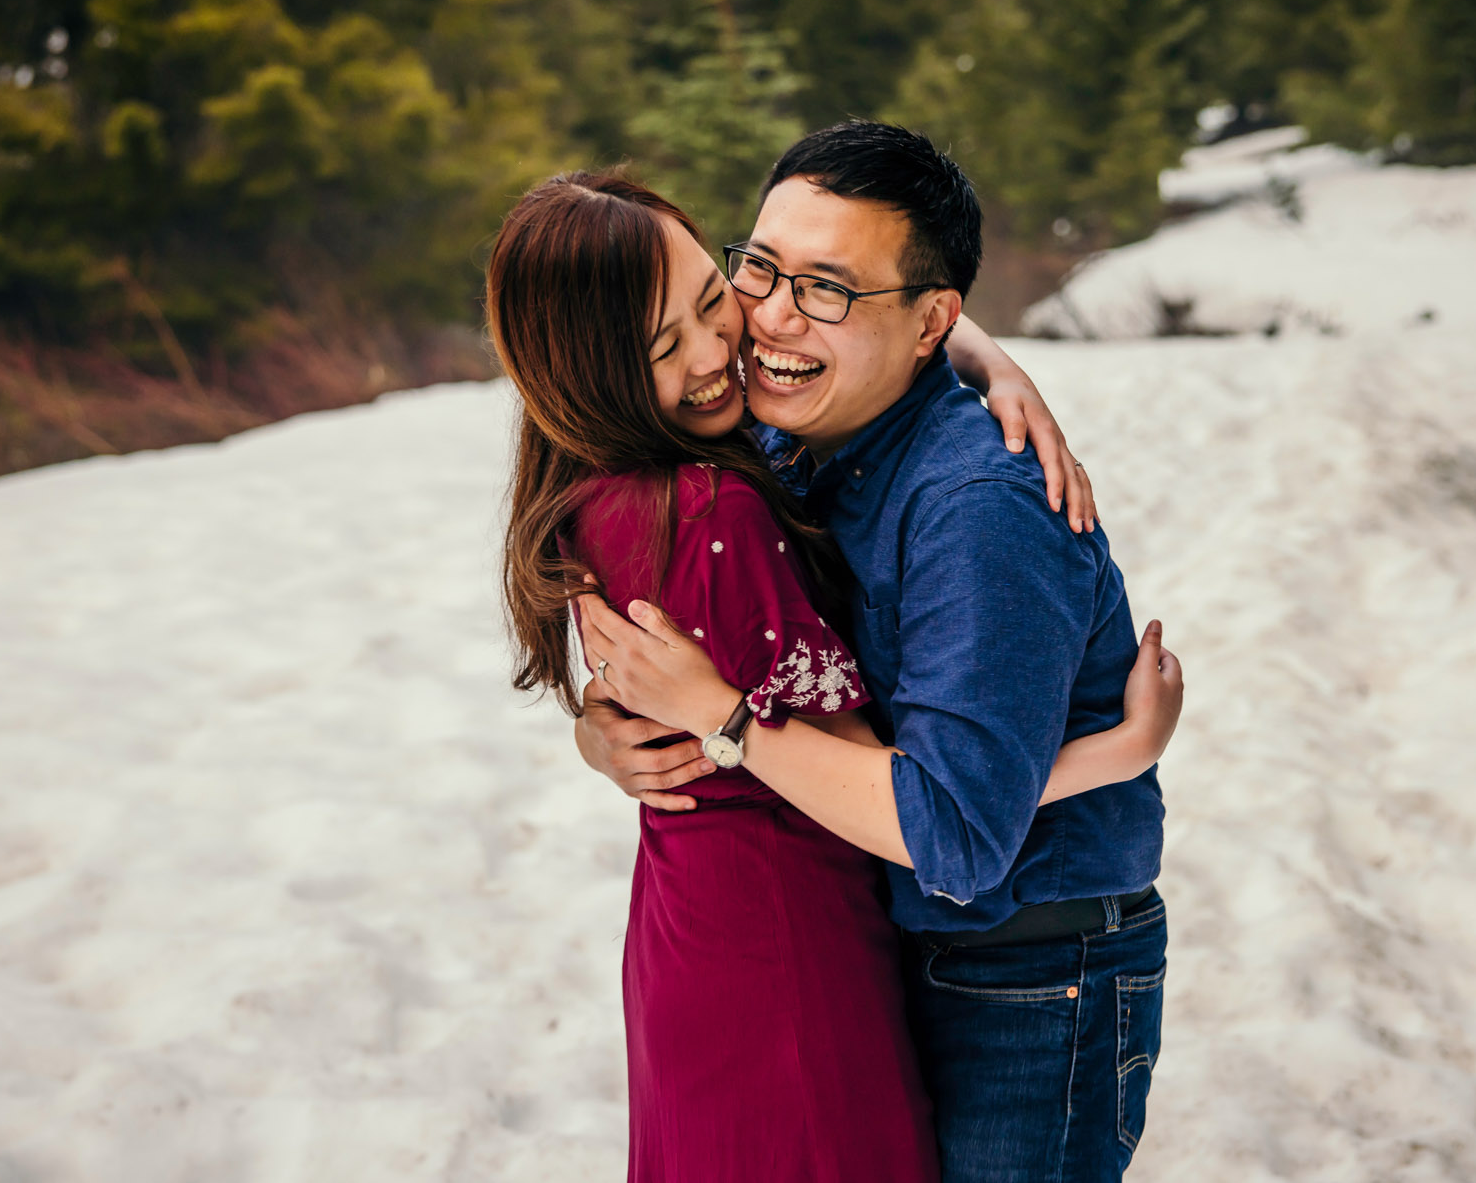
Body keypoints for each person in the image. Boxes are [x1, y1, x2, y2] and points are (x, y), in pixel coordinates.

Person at [486, 169, 1183, 1183]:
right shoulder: (717, 494)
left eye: (707, 302)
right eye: (756, 274)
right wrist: (1117, 750)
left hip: (1026, 955)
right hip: (797, 933)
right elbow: (935, 816)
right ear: (586, 373)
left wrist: (985, 363)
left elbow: (940, 821)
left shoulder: (727, 453)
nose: (730, 338)